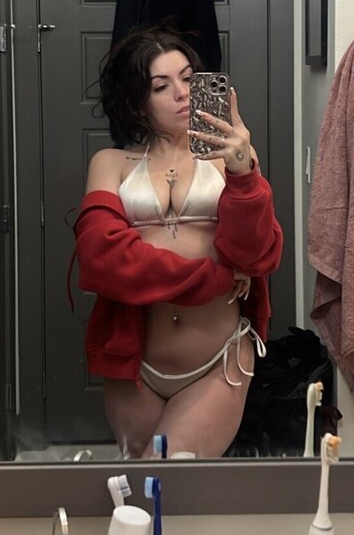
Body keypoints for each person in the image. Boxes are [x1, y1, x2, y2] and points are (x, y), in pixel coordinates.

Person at [72, 23, 283, 458]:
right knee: (142, 485)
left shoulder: (231, 160)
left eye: (188, 79)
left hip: (217, 361)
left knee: (165, 477)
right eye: (161, 85)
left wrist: (243, 173)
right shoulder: (110, 163)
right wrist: (216, 278)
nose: (182, 93)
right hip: (135, 367)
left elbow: (257, 255)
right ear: (138, 100)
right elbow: (101, 258)